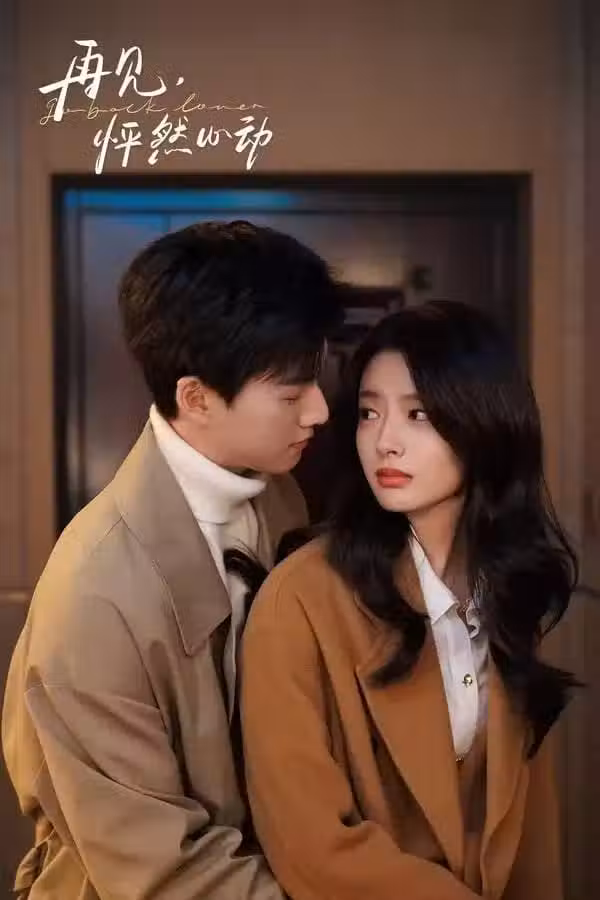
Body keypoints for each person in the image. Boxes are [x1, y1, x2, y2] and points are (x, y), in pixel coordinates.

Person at [2, 220, 343, 899]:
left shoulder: (277, 493)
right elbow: (162, 872)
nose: (320, 411)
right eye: (291, 393)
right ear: (196, 397)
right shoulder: (96, 593)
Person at [241, 300, 579, 900]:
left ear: (485, 424)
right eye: (369, 413)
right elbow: (312, 848)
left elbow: (530, 834)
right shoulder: (300, 599)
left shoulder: (507, 592)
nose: (385, 442)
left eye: (418, 414)